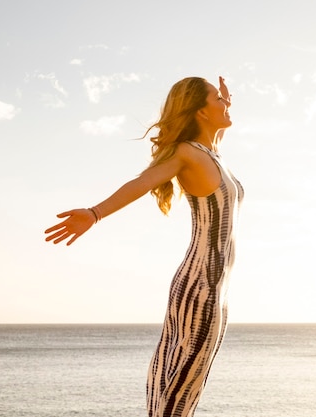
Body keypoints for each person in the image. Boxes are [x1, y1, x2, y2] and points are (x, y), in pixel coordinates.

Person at [44, 76, 244, 417]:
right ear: (200, 111)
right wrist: (95, 213)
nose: (224, 103)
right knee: (180, 387)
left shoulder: (211, 153)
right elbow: (142, 182)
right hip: (201, 286)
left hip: (214, 289)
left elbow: (216, 132)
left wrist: (227, 104)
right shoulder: (188, 154)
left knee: (184, 384)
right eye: (217, 99)